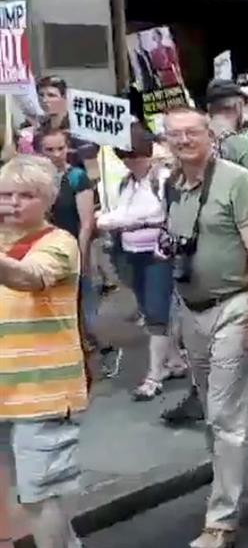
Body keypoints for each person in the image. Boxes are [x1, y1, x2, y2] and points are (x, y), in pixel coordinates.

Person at [162, 107, 248, 548]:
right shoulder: (171, 184)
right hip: (192, 310)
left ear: (210, 135)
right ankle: (246, 492)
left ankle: (220, 522)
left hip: (236, 307)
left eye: (192, 132)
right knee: (218, 416)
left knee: (223, 417)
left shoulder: (235, 180)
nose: (184, 140)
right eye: (175, 134)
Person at [0, 155, 89, 548]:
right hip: (4, 388)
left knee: (40, 494)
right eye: (5, 194)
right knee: (21, 492)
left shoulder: (60, 242)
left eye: (25, 195)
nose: (12, 203)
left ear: (48, 200)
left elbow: (30, 277)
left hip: (43, 391)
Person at [97, 124, 186, 401]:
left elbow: (162, 213)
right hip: (131, 252)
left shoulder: (163, 179)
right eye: (125, 155)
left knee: (158, 313)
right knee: (149, 311)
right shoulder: (126, 183)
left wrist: (125, 219)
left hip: (158, 254)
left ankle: (154, 375)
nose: (131, 161)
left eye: (136, 154)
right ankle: (174, 361)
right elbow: (118, 213)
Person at [35, 128, 106, 378]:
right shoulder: (34, 181)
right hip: (41, 254)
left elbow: (86, 222)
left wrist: (82, 254)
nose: (56, 154)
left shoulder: (76, 177)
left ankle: (83, 364)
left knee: (78, 307)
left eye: (60, 149)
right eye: (49, 150)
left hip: (71, 248)